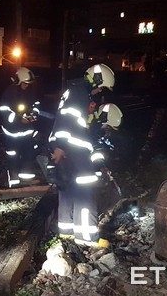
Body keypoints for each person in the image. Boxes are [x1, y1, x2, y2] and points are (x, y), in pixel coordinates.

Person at [48, 63, 115, 248]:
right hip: (73, 148)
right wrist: (61, 146)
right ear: (96, 80)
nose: (100, 91)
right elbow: (66, 119)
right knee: (85, 191)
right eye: (101, 87)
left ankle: (67, 231)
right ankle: (86, 235)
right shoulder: (78, 94)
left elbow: (76, 123)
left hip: (69, 148)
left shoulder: (76, 92)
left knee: (68, 188)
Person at [0, 67, 41, 187]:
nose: (27, 86)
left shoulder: (30, 92)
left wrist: (34, 114)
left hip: (27, 132)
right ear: (18, 81)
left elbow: (36, 104)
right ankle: (14, 183)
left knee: (28, 155)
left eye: (28, 84)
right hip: (12, 133)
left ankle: (26, 179)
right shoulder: (8, 94)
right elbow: (4, 112)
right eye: (25, 83)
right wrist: (19, 119)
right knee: (13, 157)